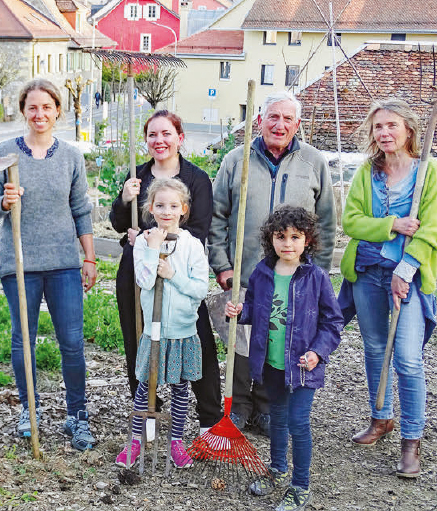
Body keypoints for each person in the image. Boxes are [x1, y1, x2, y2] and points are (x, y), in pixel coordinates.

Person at [0, 78, 98, 451]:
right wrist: (3, 203)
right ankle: (29, 409)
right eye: (32, 107)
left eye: (46, 107)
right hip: (20, 261)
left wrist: (89, 256)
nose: (39, 114)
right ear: (23, 111)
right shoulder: (4, 153)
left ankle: (77, 415)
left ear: (57, 110)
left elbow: (81, 209)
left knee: (72, 341)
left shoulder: (71, 157)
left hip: (63, 262)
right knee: (23, 340)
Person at [208, 90, 336, 436]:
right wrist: (222, 265)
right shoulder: (236, 160)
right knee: (241, 340)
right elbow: (217, 216)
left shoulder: (314, 162)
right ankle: (238, 407)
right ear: (260, 120)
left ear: (297, 124)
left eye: (288, 119)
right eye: (273, 117)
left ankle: (265, 407)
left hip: (291, 278)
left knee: (278, 340)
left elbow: (325, 223)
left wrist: (316, 275)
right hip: (245, 271)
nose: (279, 125)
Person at [338, 99, 437, 478]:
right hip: (368, 270)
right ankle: (381, 417)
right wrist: (392, 225)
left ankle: (411, 441)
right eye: (378, 127)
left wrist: (406, 267)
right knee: (373, 348)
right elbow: (351, 220)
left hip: (410, 276)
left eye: (391, 126)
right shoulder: (368, 173)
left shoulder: (429, 171)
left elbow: (432, 229)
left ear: (409, 129)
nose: (384, 133)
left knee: (407, 358)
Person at [109, 110, 221, 437]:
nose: (159, 140)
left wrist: (147, 237)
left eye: (166, 134)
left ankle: (209, 419)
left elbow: (198, 229)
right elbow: (119, 223)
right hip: (138, 272)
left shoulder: (196, 179)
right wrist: (124, 198)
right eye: (152, 135)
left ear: (179, 138)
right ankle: (148, 413)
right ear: (146, 141)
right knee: (139, 339)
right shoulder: (136, 177)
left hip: (180, 271)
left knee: (197, 339)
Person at [225, 206, 342, 511]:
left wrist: (317, 352)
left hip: (303, 366)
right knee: (277, 417)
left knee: (297, 422)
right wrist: (240, 312)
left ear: (308, 241)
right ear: (270, 239)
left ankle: (300, 487)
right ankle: (277, 471)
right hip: (271, 363)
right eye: (280, 236)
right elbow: (253, 309)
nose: (287, 243)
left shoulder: (315, 277)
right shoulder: (263, 273)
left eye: (295, 236)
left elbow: (333, 322)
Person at [115, 179, 208, 469]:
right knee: (145, 386)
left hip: (181, 331)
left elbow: (200, 289)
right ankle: (135, 441)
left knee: (181, 388)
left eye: (173, 205)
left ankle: (177, 442)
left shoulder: (192, 246)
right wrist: (152, 247)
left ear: (183, 209)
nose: (166, 211)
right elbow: (143, 281)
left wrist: (172, 275)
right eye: (159, 205)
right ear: (150, 209)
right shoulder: (144, 242)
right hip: (153, 333)